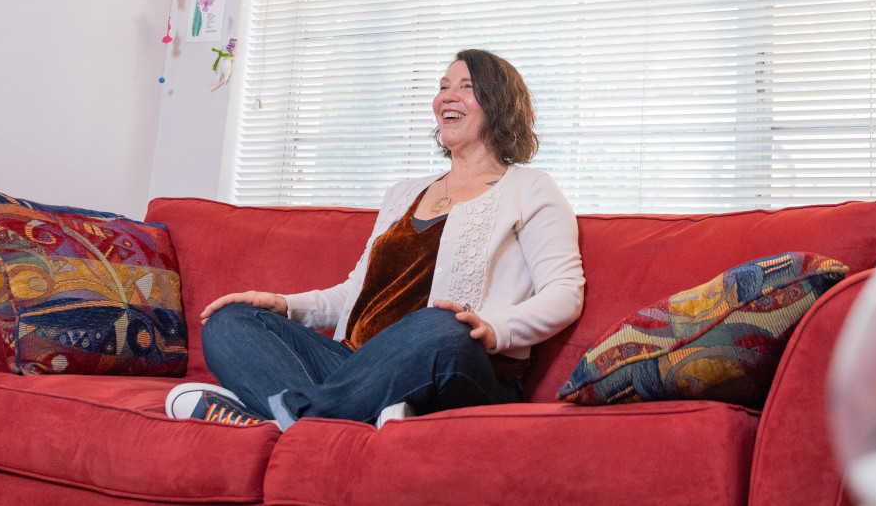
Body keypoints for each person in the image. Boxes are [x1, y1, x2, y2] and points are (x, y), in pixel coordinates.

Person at [165, 49, 585, 430]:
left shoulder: (530, 188)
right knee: (231, 320)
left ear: (499, 103)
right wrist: (286, 305)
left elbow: (565, 292)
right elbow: (355, 291)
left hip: (465, 366)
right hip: (356, 364)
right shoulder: (403, 193)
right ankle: (327, 416)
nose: (447, 97)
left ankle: (274, 414)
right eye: (442, 87)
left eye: (466, 87)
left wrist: (495, 328)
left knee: (441, 325)